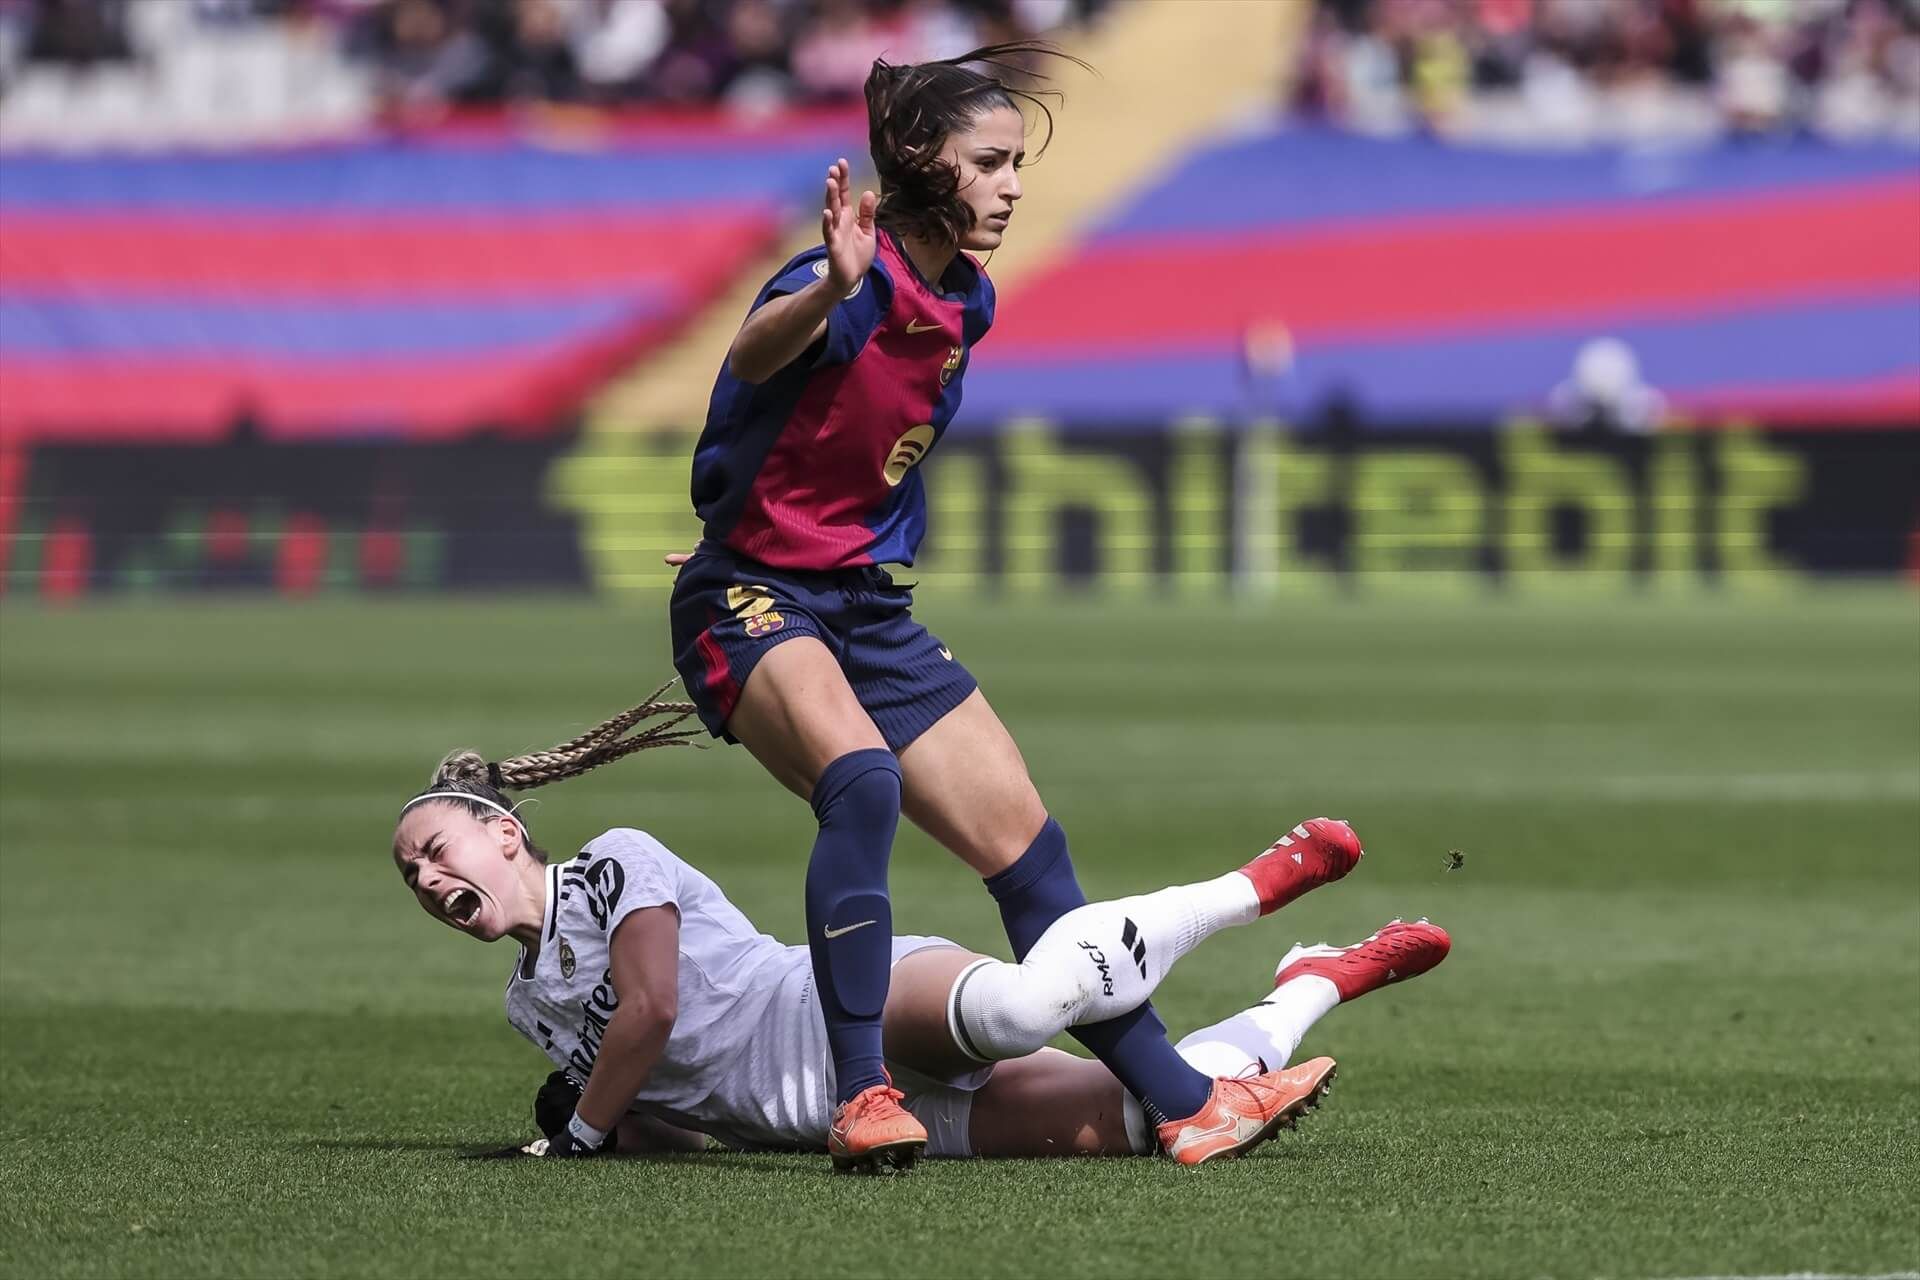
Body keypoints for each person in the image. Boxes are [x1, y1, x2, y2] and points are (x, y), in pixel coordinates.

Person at [667, 40, 1337, 1173]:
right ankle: (863, 1093)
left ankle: (1186, 1099)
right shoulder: (848, 273)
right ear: (927, 161)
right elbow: (755, 347)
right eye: (993, 162)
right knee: (863, 783)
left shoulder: (964, 294)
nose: (1015, 184)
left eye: (1018, 161)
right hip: (751, 595)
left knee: (1031, 858)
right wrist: (827, 285)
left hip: (867, 607)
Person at [388, 697, 1452, 1168]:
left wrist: (575, 1134)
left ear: (502, 828)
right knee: (1142, 1118)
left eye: (438, 847)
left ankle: (1254, 882)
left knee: (1023, 1003)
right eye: (411, 876)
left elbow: (657, 1006)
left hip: (831, 1003)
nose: (430, 878)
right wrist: (622, 1133)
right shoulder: (528, 1003)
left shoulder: (613, 858)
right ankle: (1317, 980)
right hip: (810, 1122)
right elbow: (685, 1114)